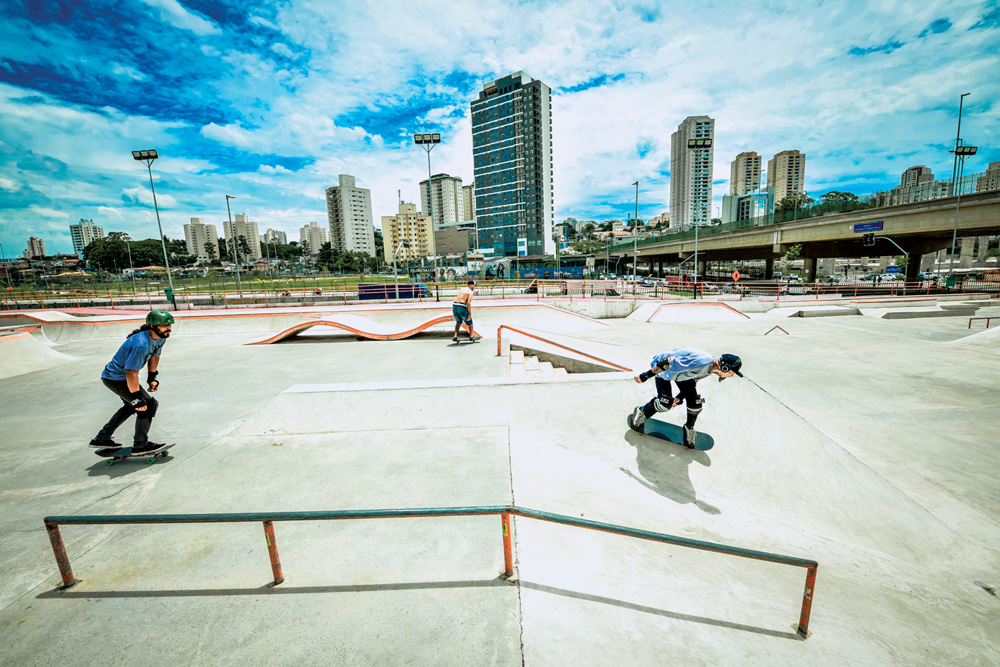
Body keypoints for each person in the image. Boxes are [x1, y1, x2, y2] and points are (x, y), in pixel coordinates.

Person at [89, 310, 173, 454]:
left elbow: (155, 357)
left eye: (170, 325)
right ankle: (140, 444)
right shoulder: (141, 345)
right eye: (164, 325)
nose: (168, 328)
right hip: (115, 379)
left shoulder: (160, 337)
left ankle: (102, 437)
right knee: (147, 405)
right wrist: (136, 398)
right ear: (152, 326)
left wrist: (152, 378)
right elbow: (131, 373)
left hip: (121, 378)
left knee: (131, 406)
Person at [629, 347, 743, 448]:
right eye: (732, 372)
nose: (731, 375)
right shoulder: (701, 362)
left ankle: (689, 427)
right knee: (665, 404)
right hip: (664, 371)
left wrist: (680, 398)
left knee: (696, 403)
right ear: (724, 368)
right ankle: (642, 411)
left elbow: (692, 382)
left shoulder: (709, 370)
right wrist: (644, 377)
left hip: (681, 375)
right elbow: (665, 364)